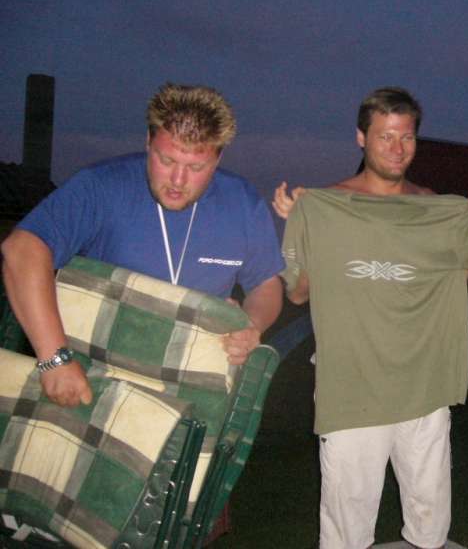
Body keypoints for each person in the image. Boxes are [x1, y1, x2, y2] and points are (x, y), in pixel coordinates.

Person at [273, 87, 468, 549]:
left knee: (430, 526)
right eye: (385, 136)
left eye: (407, 137)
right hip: (351, 389)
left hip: (424, 387)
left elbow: (457, 276)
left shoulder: (433, 206)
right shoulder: (327, 205)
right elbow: (297, 292)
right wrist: (300, 226)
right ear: (361, 138)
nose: (398, 148)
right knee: (346, 531)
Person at [1, 82, 284, 408]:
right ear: (148, 141)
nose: (178, 180)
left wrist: (251, 324)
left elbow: (266, 284)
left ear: (218, 158)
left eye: (195, 167)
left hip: (193, 388)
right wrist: (54, 358)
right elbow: (22, 250)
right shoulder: (103, 186)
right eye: (166, 160)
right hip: (96, 379)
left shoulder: (243, 203)